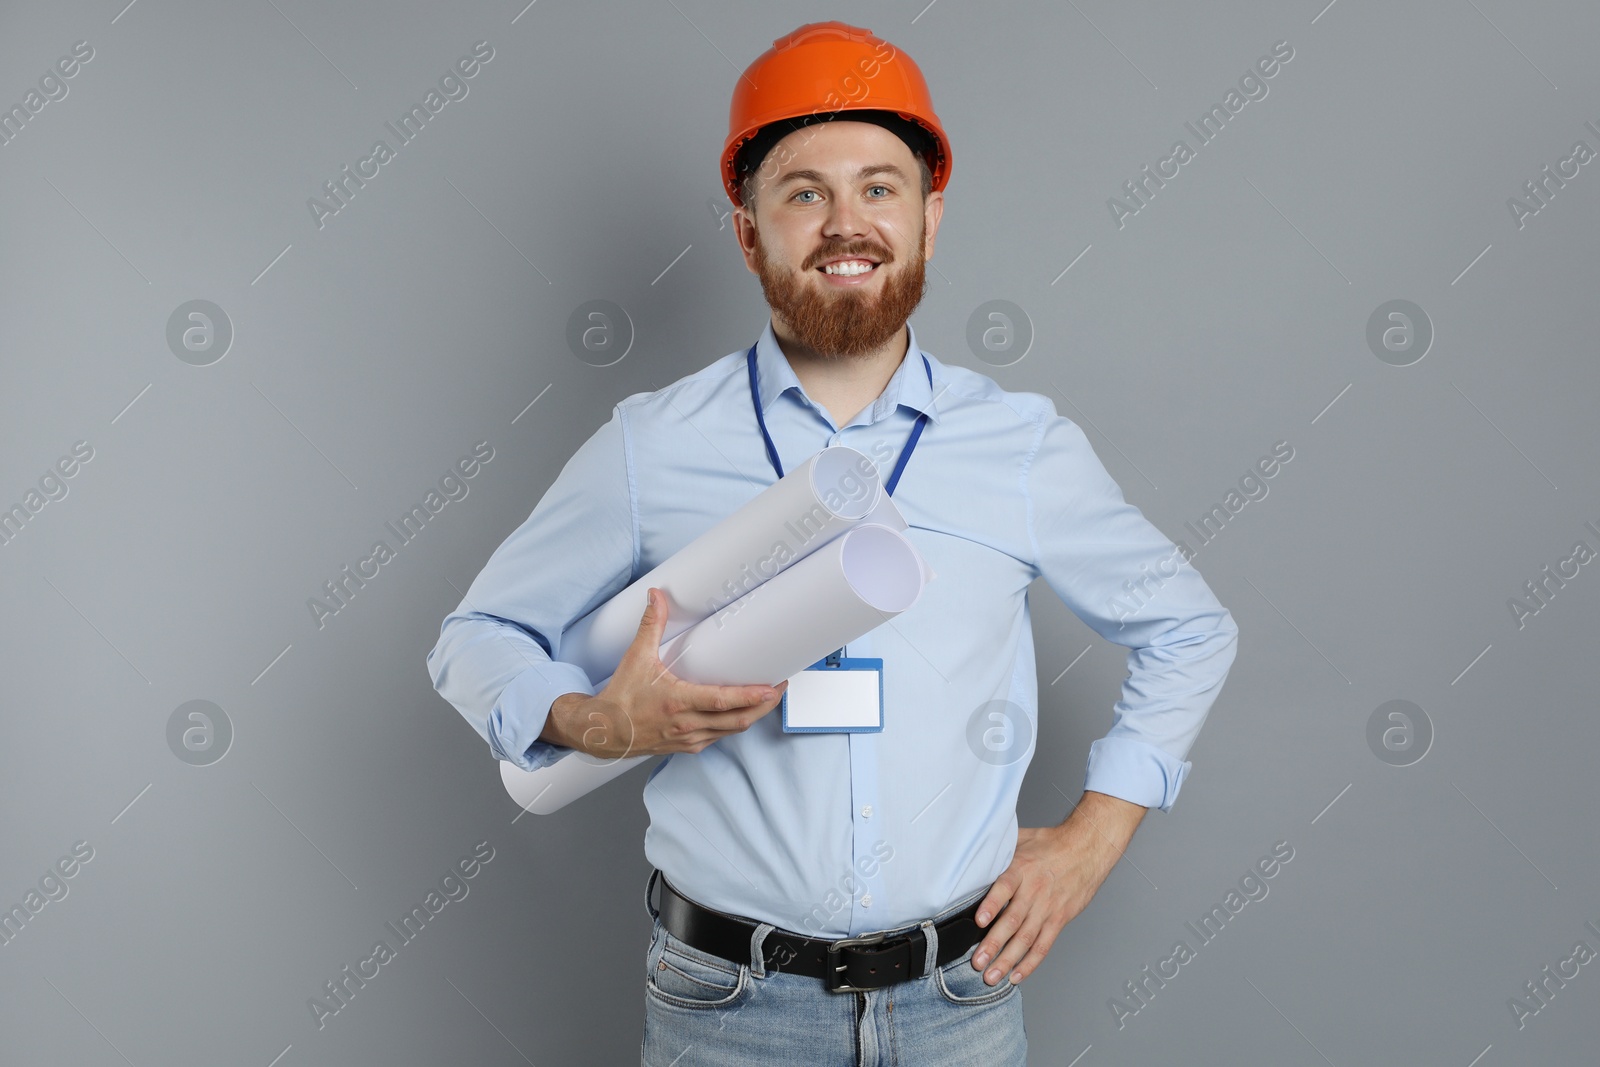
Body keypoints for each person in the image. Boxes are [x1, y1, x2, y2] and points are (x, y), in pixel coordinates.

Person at [426, 20, 1239, 1066]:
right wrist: (591, 715)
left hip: (960, 1002)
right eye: (803, 191)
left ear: (929, 218)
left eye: (879, 188)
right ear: (746, 228)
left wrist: (1094, 837)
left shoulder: (1021, 446)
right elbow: (475, 634)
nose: (844, 223)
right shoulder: (652, 444)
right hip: (726, 1007)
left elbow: (1188, 627)